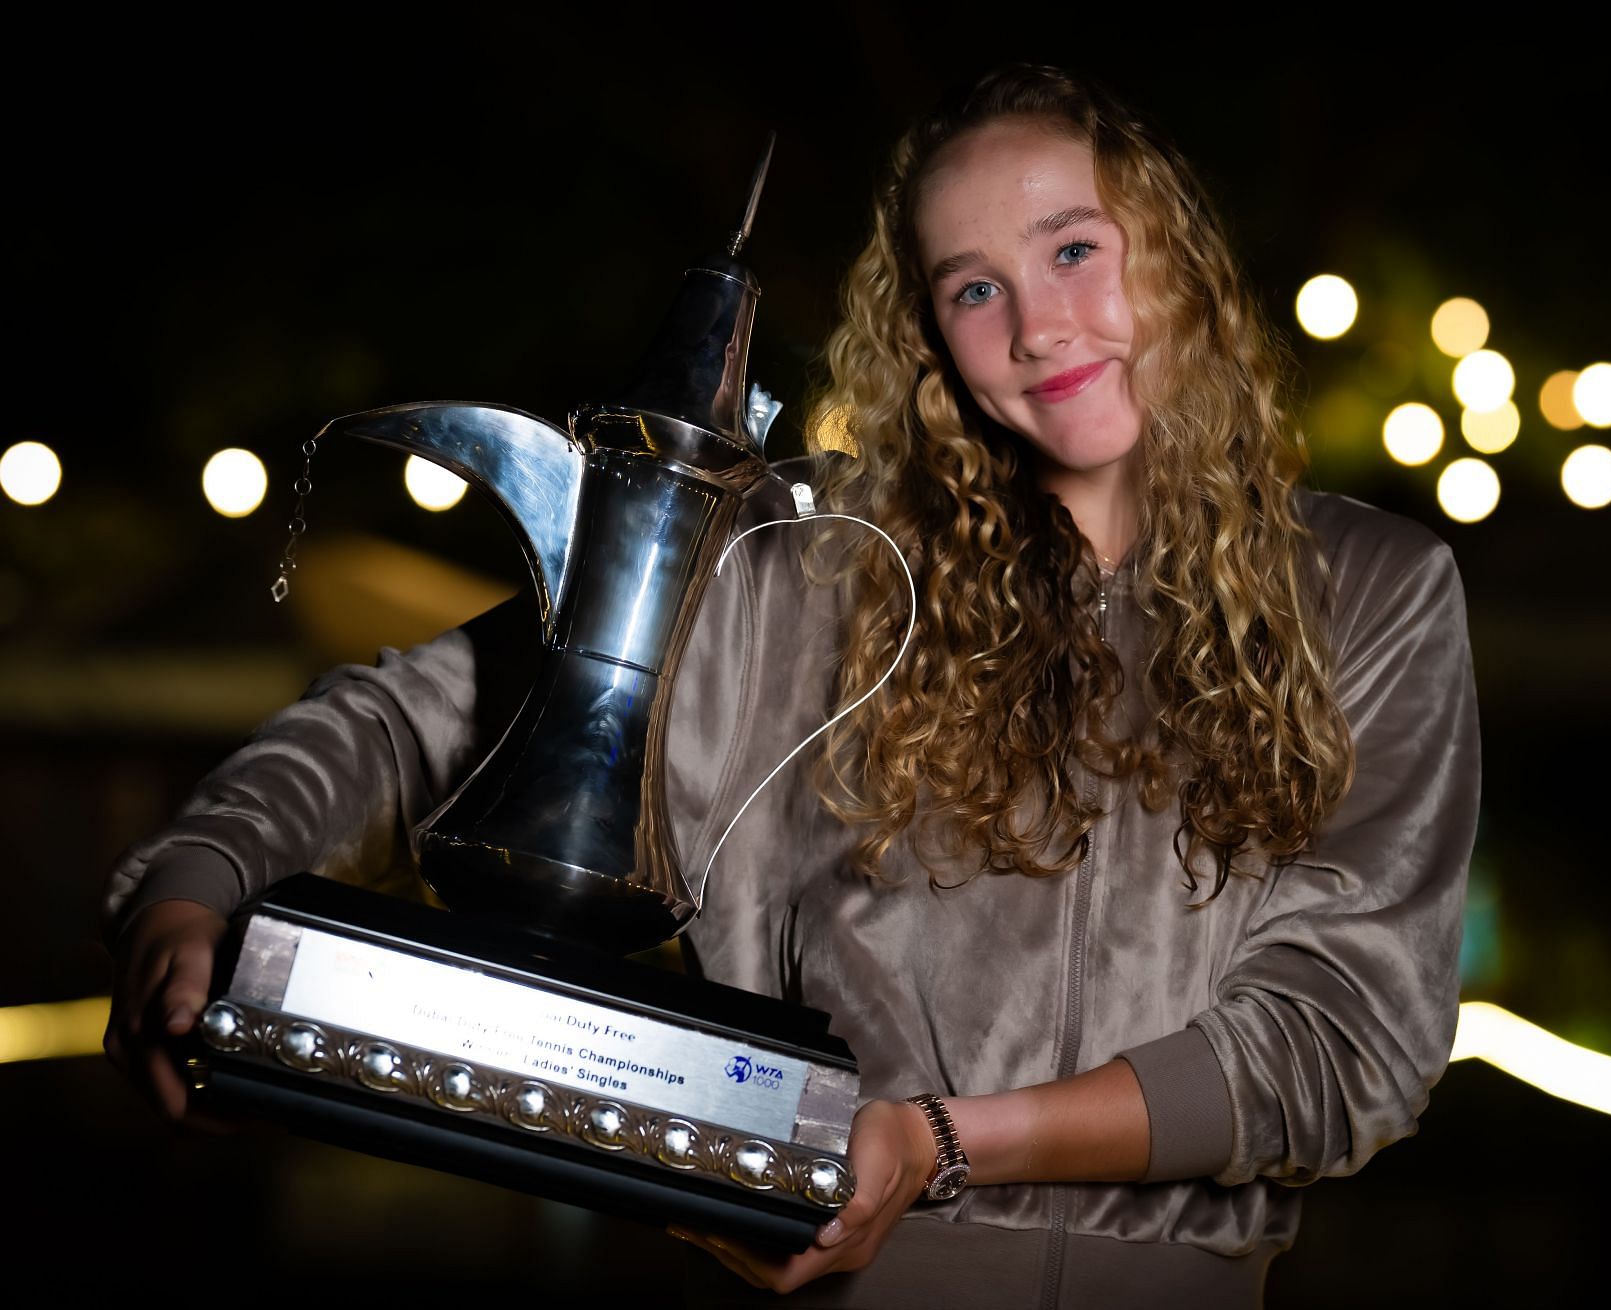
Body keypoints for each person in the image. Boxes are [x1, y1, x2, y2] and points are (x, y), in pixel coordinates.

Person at [101, 63, 1481, 1307]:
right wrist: (197, 885)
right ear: (931, 334)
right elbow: (424, 716)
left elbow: (1344, 1034)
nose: (1041, 327)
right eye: (974, 287)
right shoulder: (801, 570)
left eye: (1075, 249)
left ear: (1174, 255)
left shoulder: (1370, 592)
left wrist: (936, 1139)